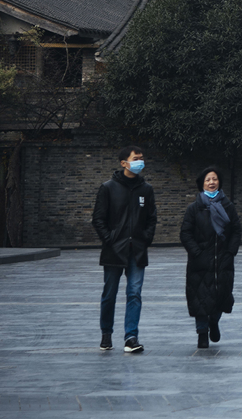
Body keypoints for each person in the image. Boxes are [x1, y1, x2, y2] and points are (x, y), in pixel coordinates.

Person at [91, 145, 156, 353]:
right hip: (114, 250)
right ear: (123, 163)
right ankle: (106, 334)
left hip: (137, 250)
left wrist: (145, 238)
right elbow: (98, 219)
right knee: (109, 293)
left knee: (134, 293)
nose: (140, 161)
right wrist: (109, 239)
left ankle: (131, 337)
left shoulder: (146, 189)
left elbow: (152, 219)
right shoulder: (108, 188)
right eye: (136, 158)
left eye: (142, 157)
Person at [179, 166, 242, 349]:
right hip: (200, 262)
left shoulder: (228, 207)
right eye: (208, 180)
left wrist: (230, 252)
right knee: (199, 297)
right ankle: (202, 333)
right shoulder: (194, 208)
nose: (211, 182)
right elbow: (185, 234)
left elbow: (236, 230)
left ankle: (214, 321)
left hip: (223, 261)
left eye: (214, 179)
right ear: (202, 184)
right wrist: (197, 253)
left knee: (221, 295)